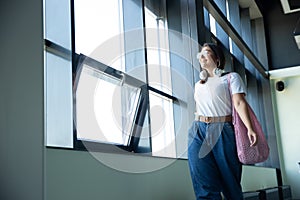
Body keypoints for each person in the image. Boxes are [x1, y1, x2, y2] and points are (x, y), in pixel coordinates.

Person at [188, 43, 258, 200]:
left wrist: (250, 128)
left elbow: (239, 103)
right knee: (203, 181)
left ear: (217, 59)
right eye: (201, 53)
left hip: (222, 129)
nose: (202, 56)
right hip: (198, 130)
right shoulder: (198, 84)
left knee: (230, 183)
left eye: (206, 52)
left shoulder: (231, 78)